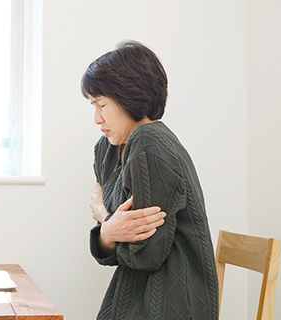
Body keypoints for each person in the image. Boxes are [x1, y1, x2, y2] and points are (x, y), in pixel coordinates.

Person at [82, 40, 219, 320]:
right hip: (137, 295)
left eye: (102, 105)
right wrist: (108, 229)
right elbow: (111, 242)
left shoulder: (150, 141)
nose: (96, 118)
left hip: (172, 303)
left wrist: (104, 218)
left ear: (127, 97)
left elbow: (146, 254)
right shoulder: (108, 148)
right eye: (93, 106)